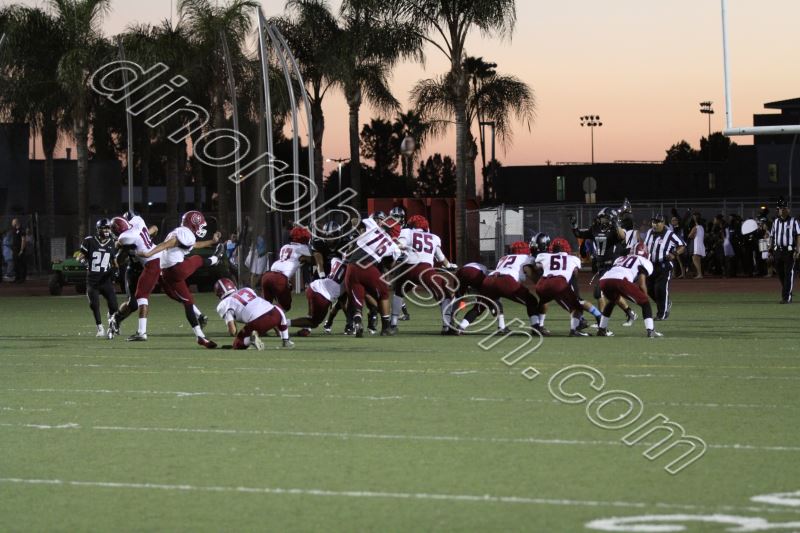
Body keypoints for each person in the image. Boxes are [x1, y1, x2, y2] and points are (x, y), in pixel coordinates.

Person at [137, 210, 224, 348]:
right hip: (176, 269)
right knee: (196, 259)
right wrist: (149, 253)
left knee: (188, 302)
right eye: (200, 224)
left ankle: (200, 337)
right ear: (193, 223)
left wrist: (212, 242)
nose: (201, 227)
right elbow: (168, 244)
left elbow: (193, 245)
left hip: (168, 273)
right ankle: (215, 260)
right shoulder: (185, 233)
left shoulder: (181, 232)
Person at [393, 214, 457, 334]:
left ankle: (392, 324)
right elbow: (440, 257)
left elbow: (399, 245)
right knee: (445, 295)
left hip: (408, 269)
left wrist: (397, 253)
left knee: (398, 293)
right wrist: (449, 266)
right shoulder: (434, 237)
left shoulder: (407, 232)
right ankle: (446, 326)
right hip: (426, 270)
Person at [108, 215, 161, 341]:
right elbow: (119, 260)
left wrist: (120, 245)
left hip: (147, 267)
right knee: (133, 304)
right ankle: (116, 318)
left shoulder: (128, 237)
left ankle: (141, 332)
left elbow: (154, 228)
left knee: (142, 298)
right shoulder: (136, 227)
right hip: (133, 270)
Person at [597, 243, 663, 338]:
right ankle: (651, 330)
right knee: (645, 303)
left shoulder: (621, 258)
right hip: (620, 280)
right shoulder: (644, 261)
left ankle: (602, 329)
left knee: (612, 301)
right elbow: (641, 283)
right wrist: (644, 297)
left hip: (604, 280)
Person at [214, 278, 293, 349]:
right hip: (276, 313)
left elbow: (233, 331)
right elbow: (261, 308)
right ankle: (286, 340)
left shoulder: (224, 303)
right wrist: (276, 329)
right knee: (276, 310)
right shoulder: (247, 289)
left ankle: (250, 339)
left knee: (237, 344)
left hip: (257, 321)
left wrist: (238, 335)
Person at [533, 235, 587, 337]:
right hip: (559, 284)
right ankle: (575, 329)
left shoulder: (544, 256)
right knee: (576, 306)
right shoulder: (573, 258)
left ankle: (539, 326)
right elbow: (575, 274)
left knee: (543, 301)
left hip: (542, 284)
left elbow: (536, 267)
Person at [78, 219, 119, 337]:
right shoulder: (89, 241)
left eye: (108, 228)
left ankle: (111, 320)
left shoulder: (112, 242)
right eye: (104, 228)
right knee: (94, 305)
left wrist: (116, 270)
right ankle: (100, 328)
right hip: (93, 280)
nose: (106, 230)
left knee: (114, 305)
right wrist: (85, 263)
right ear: (98, 229)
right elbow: (80, 258)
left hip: (106, 280)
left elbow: (114, 261)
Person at [643, 214, 686, 321]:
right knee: (648, 289)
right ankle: (666, 303)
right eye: (654, 222)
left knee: (660, 289)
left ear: (663, 223)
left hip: (664, 265)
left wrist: (674, 254)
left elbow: (682, 245)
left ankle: (661, 314)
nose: (655, 224)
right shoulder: (649, 232)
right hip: (650, 266)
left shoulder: (669, 234)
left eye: (658, 222)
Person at [261, 226, 313, 311]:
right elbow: (314, 257)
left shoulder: (285, 246)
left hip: (267, 275)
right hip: (280, 278)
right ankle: (273, 317)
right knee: (285, 306)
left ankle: (263, 317)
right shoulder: (302, 248)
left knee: (265, 305)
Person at [769, 198, 800, 304]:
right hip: (778, 251)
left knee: (788, 274)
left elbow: (798, 235)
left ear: (788, 209)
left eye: (783, 208)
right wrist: (770, 250)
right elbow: (772, 236)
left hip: (789, 251)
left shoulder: (794, 221)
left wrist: (798, 249)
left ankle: (786, 297)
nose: (781, 210)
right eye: (780, 208)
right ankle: (787, 291)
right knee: (781, 274)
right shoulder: (775, 222)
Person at [688, 211, 705, 278]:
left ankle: (700, 274)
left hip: (696, 244)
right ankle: (699, 274)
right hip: (700, 244)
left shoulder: (695, 227)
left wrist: (693, 235)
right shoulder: (702, 227)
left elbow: (689, 236)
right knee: (698, 260)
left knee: (694, 258)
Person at [11, 218, 26, 282]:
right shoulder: (14, 230)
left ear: (16, 222)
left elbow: (23, 240)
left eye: (13, 222)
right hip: (15, 249)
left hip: (19, 249)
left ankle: (22, 278)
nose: (12, 223)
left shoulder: (22, 230)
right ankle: (17, 277)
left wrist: (22, 250)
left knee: (21, 264)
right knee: (16, 264)